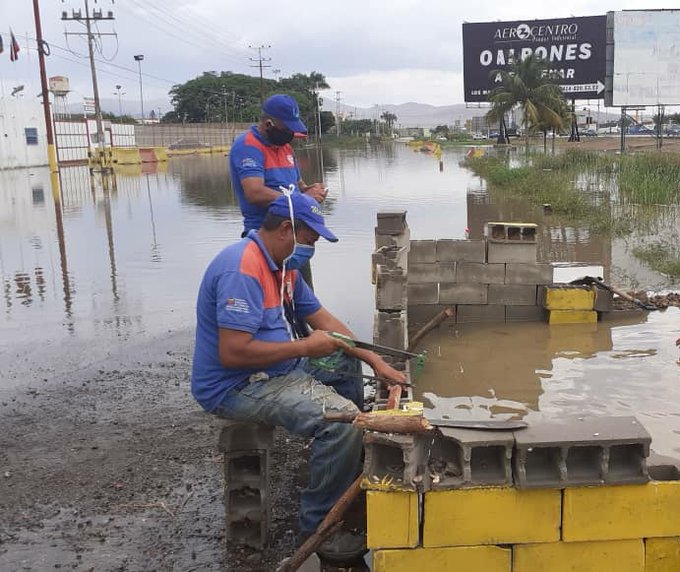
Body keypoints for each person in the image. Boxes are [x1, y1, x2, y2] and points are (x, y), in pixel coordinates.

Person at [191, 191, 405, 564]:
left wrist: (374, 360)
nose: (312, 248)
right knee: (342, 424)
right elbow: (233, 352)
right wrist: (305, 347)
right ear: (286, 229)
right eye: (310, 239)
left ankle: (347, 462)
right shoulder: (242, 269)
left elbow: (326, 322)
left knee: (345, 360)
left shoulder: (283, 268)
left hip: (277, 368)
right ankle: (320, 524)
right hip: (240, 384)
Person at [229, 93, 327, 236]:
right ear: (268, 124)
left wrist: (311, 191)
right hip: (264, 235)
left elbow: (299, 186)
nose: (290, 134)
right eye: (287, 129)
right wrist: (302, 199)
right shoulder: (248, 146)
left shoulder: (285, 147)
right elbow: (255, 193)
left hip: (293, 232)